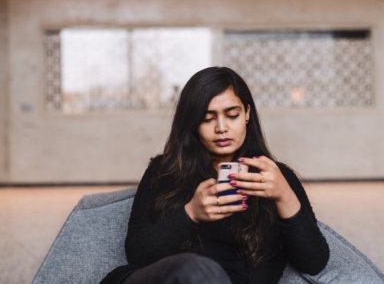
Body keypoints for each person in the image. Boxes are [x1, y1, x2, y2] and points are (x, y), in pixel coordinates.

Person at [101, 67, 329, 284]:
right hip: (175, 279)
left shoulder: (276, 178)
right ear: (192, 122)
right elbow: (138, 255)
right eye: (208, 118)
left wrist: (284, 196)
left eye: (232, 115)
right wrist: (190, 213)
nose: (221, 128)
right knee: (195, 270)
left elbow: (314, 263)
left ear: (247, 114)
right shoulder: (164, 172)